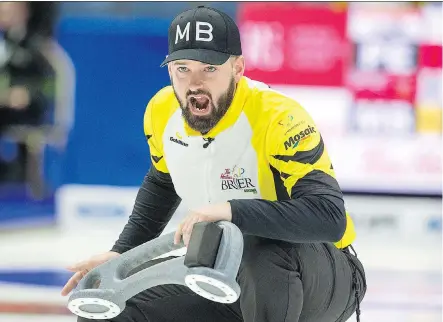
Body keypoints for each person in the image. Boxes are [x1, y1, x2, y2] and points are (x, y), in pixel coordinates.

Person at [62, 6, 367, 322]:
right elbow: (163, 183)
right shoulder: (161, 112)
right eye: (183, 68)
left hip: (322, 275)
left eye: (209, 68)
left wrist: (232, 210)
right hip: (226, 272)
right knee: (108, 305)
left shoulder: (278, 117)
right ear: (169, 71)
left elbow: (330, 218)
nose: (194, 83)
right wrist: (119, 257)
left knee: (257, 249)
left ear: (237, 68)